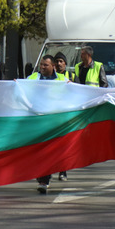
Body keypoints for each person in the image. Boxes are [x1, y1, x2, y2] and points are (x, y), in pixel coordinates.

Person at [28, 55, 68, 194]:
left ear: (53, 67)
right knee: (38, 151)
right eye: (41, 65)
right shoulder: (33, 78)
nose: (43, 67)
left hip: (54, 122)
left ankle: (44, 179)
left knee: (48, 150)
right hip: (37, 121)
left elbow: (72, 94)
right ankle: (43, 176)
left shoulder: (62, 80)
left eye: (46, 65)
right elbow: (20, 90)